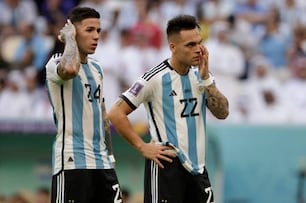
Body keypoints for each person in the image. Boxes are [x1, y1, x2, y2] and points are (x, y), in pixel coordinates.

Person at [108, 15, 229, 203]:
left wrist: (207, 81)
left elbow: (223, 113)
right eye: (190, 45)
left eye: (199, 43)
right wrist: (142, 147)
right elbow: (116, 112)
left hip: (198, 169)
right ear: (173, 47)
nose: (198, 49)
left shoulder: (202, 75)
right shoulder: (153, 79)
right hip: (167, 167)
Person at [45, 7, 122, 203]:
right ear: (73, 30)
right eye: (89, 30)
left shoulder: (96, 68)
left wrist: (110, 157)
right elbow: (70, 68)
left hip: (103, 164)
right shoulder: (55, 64)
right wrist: (69, 39)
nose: (96, 36)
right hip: (73, 161)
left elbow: (102, 116)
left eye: (98, 31)